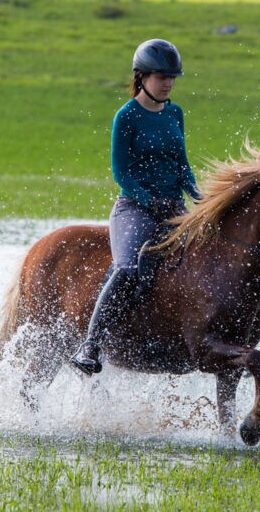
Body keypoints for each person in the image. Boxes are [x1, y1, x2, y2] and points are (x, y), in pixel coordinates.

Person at [70, 39, 202, 375]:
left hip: (174, 207)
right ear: (142, 77)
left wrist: (198, 197)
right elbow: (121, 172)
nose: (168, 82)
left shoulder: (175, 112)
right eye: (161, 76)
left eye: (172, 77)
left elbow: (182, 163)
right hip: (135, 208)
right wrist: (148, 200)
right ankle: (91, 345)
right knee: (127, 269)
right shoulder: (126, 116)